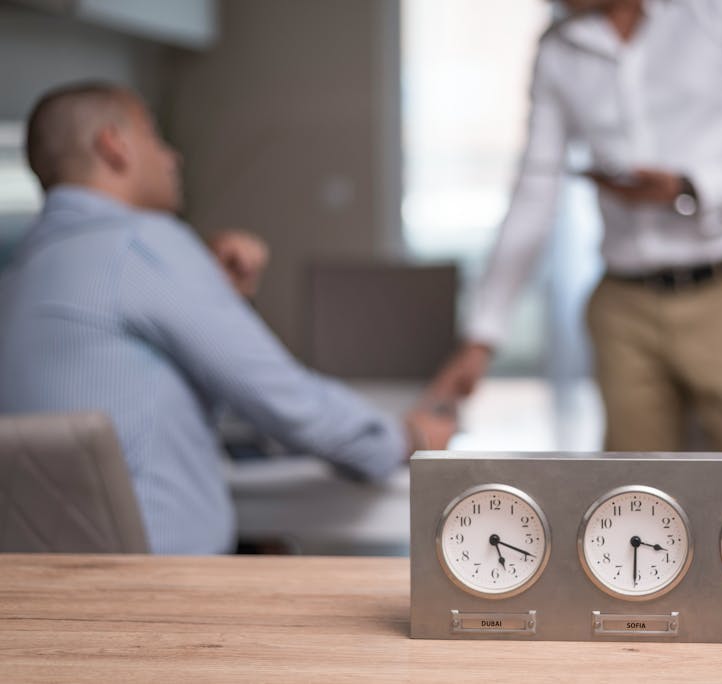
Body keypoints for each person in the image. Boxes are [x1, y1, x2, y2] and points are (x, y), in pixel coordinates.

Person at [0, 82, 455, 554]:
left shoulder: (21, 270)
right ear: (114, 145)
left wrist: (211, 287)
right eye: (154, 137)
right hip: (161, 580)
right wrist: (406, 436)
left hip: (46, 586)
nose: (171, 156)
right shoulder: (140, 243)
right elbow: (279, 395)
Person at [429, 0, 722, 453]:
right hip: (623, 308)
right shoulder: (557, 51)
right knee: (631, 503)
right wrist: (482, 337)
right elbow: (534, 194)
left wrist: (692, 186)